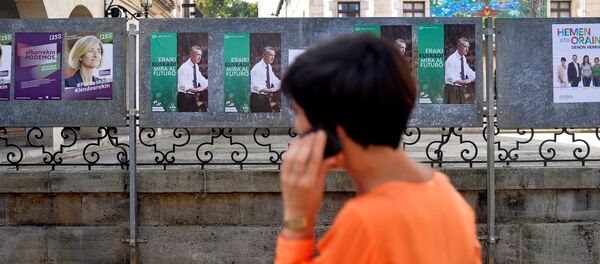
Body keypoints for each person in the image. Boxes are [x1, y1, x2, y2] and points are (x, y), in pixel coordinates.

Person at [275, 34, 481, 263]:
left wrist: (297, 222)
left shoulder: (364, 223)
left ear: (332, 124)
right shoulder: (448, 196)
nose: (298, 126)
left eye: (298, 113)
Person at [444, 37, 476, 104]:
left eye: (468, 47)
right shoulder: (451, 59)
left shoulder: (463, 58)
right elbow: (448, 76)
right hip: (452, 89)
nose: (467, 49)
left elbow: (468, 70)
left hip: (460, 89)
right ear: (458, 46)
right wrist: (461, 82)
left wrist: (476, 76)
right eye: (465, 46)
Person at [177, 46, 208, 112]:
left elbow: (201, 79)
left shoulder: (195, 66)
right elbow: (181, 86)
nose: (200, 57)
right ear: (191, 54)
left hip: (192, 97)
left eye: (200, 55)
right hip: (184, 98)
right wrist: (195, 89)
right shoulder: (184, 68)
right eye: (197, 54)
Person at [250, 46, 280, 112]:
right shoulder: (256, 68)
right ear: (264, 55)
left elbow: (274, 80)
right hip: (257, 98)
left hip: (265, 98)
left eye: (274, 55)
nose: (273, 58)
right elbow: (255, 86)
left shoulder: (268, 66)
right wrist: (269, 90)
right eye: (271, 55)